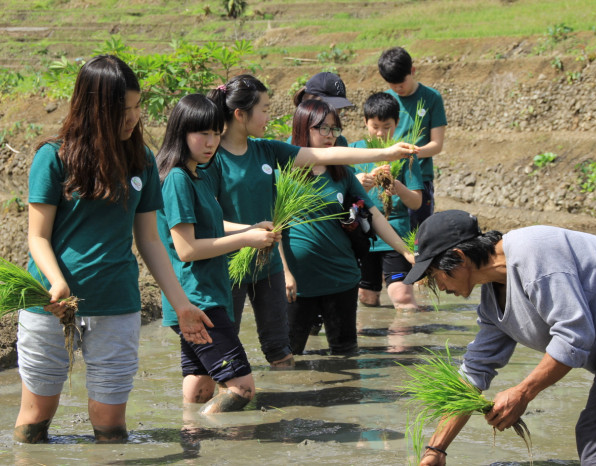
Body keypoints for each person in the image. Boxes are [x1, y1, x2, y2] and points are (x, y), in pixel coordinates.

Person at [15, 55, 211, 444]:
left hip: (117, 305)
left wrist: (182, 303)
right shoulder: (53, 157)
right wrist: (57, 283)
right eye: (122, 110)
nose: (133, 118)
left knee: (111, 427)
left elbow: (151, 240)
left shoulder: (139, 160)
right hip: (50, 305)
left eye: (137, 107)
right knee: (36, 420)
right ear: (93, 109)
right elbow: (37, 236)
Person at [402, 210, 596, 466]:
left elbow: (574, 338)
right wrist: (436, 449)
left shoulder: (532, 253)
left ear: (458, 257)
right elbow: (473, 374)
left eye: (433, 273)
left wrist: (523, 392)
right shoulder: (493, 302)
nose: (436, 286)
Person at [206, 75, 417, 368]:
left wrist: (386, 153)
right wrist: (275, 260)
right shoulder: (237, 160)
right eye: (265, 109)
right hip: (262, 274)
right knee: (245, 353)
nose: (331, 133)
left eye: (336, 126)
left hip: (311, 275)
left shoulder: (284, 155)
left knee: (309, 356)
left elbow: (333, 161)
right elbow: (227, 222)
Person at [156, 94, 281, 413]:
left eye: (216, 134)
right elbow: (186, 249)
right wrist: (247, 241)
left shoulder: (195, 176)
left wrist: (249, 229)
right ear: (181, 133)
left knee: (200, 384)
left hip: (202, 296)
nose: (211, 142)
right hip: (200, 302)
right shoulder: (178, 179)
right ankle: (212, 435)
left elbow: (208, 230)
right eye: (203, 133)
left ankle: (194, 445)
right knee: (242, 389)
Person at [281, 99, 414, 355]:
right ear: (302, 128)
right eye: (323, 129)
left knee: (345, 354)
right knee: (286, 357)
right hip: (298, 283)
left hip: (341, 279)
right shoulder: (283, 171)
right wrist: (285, 273)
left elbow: (374, 215)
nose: (330, 136)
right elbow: (273, 228)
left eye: (335, 129)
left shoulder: (340, 172)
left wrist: (405, 250)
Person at [352, 92, 423, 311]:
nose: (381, 133)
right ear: (365, 122)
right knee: (366, 297)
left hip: (396, 234)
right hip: (363, 235)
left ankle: (407, 344)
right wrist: (360, 183)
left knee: (402, 298)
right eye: (375, 126)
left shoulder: (406, 155)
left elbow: (417, 203)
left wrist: (399, 188)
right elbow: (341, 196)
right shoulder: (352, 151)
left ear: (397, 123)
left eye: (387, 126)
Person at [378, 46, 447, 230]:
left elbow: (436, 145)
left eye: (401, 83)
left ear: (413, 71)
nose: (398, 88)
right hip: (390, 178)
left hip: (419, 179)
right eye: (393, 84)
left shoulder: (431, 97)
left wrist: (410, 154)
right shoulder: (386, 100)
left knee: (420, 235)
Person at [289, 71, 353, 147]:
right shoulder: (291, 147)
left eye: (339, 109)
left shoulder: (340, 142)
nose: (334, 114)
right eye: (330, 107)